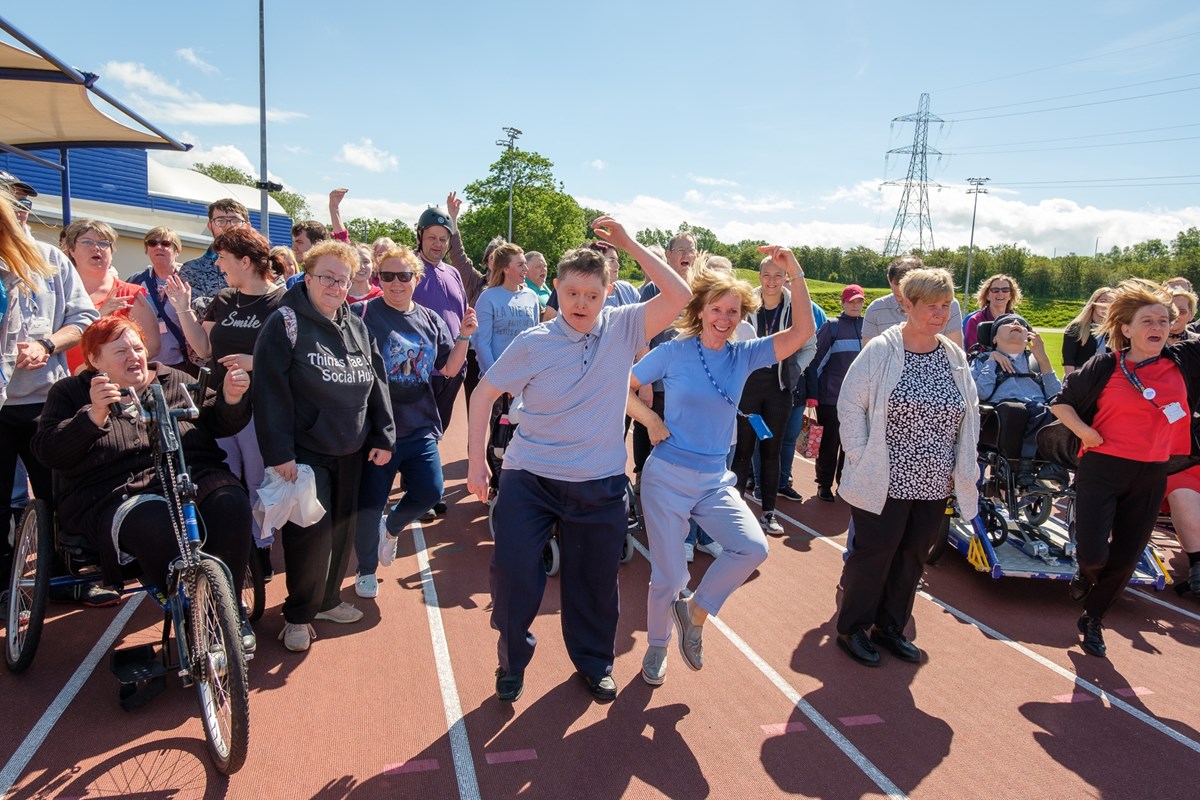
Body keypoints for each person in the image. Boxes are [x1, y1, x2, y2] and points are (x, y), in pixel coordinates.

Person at [465, 216, 690, 704]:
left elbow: (679, 296)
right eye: (571, 294)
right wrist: (475, 463)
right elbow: (483, 396)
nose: (581, 305)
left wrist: (630, 242)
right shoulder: (534, 343)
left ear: (609, 292)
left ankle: (593, 664)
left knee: (594, 586)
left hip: (598, 482)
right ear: (557, 293)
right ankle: (512, 662)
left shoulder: (625, 327)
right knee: (511, 576)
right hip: (530, 478)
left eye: (592, 294)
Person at [627, 247, 815, 686]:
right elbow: (623, 385)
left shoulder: (745, 354)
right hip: (667, 476)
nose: (725, 318)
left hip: (714, 480)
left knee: (753, 548)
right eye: (717, 309)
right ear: (700, 309)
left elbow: (803, 330)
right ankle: (657, 647)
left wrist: (796, 273)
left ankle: (694, 613)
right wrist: (651, 418)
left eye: (733, 311)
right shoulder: (674, 352)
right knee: (669, 575)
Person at [31, 315, 255, 645]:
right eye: (120, 351)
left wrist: (232, 398)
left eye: (137, 347)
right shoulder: (71, 392)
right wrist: (93, 416)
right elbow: (48, 451)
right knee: (154, 520)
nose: (133, 356)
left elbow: (218, 422)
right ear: (94, 359)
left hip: (190, 476)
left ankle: (229, 609)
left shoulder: (174, 379)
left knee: (231, 500)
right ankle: (194, 610)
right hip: (117, 493)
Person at [253, 240, 395, 652]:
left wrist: (383, 434)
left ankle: (328, 600)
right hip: (306, 454)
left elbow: (378, 380)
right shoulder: (284, 323)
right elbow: (270, 392)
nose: (335, 286)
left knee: (341, 533)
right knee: (309, 538)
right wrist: (279, 453)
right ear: (308, 276)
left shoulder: (355, 323)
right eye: (327, 277)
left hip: (351, 450)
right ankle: (297, 615)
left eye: (343, 279)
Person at [836, 267, 980, 667]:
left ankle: (891, 626)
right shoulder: (881, 350)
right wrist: (861, 455)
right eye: (931, 306)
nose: (940, 313)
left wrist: (962, 465)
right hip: (884, 477)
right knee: (874, 553)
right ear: (907, 304)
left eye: (946, 305)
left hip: (935, 480)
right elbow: (850, 405)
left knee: (913, 556)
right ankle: (853, 629)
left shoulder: (953, 356)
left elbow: (969, 411)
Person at [1050, 278, 1200, 658]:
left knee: (1128, 556)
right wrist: (1086, 432)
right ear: (1126, 329)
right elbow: (1060, 403)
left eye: (1165, 320)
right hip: (1102, 468)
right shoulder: (1105, 365)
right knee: (1096, 554)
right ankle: (1087, 571)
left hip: (1151, 473)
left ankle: (1093, 618)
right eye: (1147, 321)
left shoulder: (1184, 360)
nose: (1158, 328)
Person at [355, 246, 477, 598]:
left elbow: (449, 368)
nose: (395, 283)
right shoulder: (361, 314)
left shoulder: (429, 319)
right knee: (370, 503)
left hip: (420, 424)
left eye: (403, 276)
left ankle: (392, 527)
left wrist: (465, 335)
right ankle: (366, 570)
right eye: (388, 276)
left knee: (430, 491)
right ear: (379, 278)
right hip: (378, 430)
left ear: (415, 279)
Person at [166, 226, 286, 580]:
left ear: (245, 261)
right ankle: (235, 553)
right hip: (219, 407)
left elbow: (295, 359)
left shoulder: (283, 302)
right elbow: (203, 350)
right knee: (227, 482)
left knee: (258, 481)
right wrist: (183, 309)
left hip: (260, 410)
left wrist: (255, 361)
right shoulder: (223, 298)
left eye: (223, 258)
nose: (218, 265)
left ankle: (261, 550)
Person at [0, 187, 99, 602]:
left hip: (45, 401)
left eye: (26, 205)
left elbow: (83, 317)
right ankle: (6, 584)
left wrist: (47, 344)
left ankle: (67, 577)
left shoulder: (50, 259)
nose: (22, 213)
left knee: (61, 496)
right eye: (14, 206)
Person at [731, 253, 814, 532]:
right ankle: (736, 510)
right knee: (742, 450)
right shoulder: (746, 303)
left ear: (786, 278)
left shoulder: (796, 306)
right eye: (766, 275)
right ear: (759, 276)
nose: (771, 281)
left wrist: (792, 372)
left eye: (778, 276)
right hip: (749, 389)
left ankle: (768, 512)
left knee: (771, 451)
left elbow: (810, 345)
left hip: (778, 391)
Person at [971, 312, 1062, 485]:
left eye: (1021, 324)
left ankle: (1049, 465)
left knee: (1057, 410)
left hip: (1038, 412)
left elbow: (1055, 395)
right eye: (1008, 322)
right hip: (1000, 418)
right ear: (995, 339)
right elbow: (981, 393)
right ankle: (1023, 464)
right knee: (1016, 410)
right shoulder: (982, 360)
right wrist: (992, 361)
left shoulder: (1035, 361)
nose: (1015, 322)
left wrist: (1043, 360)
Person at [61, 220, 161, 374]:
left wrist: (94, 369)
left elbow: (152, 346)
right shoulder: (58, 292)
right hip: (59, 382)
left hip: (110, 385)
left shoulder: (129, 295)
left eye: (103, 243)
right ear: (71, 250)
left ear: (112, 252)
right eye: (87, 242)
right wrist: (98, 316)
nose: (96, 248)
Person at [812, 284, 865, 502]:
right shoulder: (831, 327)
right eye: (851, 301)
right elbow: (816, 363)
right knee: (829, 443)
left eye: (859, 301)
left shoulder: (868, 328)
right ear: (843, 303)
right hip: (831, 398)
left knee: (852, 446)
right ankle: (823, 484)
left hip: (861, 401)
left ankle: (845, 484)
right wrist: (813, 394)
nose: (855, 305)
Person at [127, 228, 196, 376]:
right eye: (152, 243)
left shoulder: (190, 281)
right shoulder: (135, 281)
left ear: (177, 250)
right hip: (146, 363)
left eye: (165, 243)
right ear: (147, 249)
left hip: (183, 364)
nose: (158, 247)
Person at [862, 255, 963, 348]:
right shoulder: (875, 309)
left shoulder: (949, 305)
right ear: (889, 279)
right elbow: (868, 359)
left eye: (913, 297)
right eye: (899, 297)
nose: (906, 304)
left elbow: (955, 351)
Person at [180, 199, 249, 316]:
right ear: (210, 225)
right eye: (220, 221)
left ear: (247, 226)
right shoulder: (192, 270)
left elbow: (274, 305)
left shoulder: (265, 265)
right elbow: (196, 312)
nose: (228, 226)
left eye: (235, 220)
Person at [963, 274, 1022, 352]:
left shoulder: (1017, 321)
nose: (1000, 293)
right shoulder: (975, 321)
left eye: (1005, 290)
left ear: (1010, 295)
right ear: (987, 295)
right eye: (995, 290)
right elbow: (972, 354)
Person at [1062, 286, 1113, 376]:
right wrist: (1073, 384)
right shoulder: (1076, 328)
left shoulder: (1115, 330)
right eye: (1103, 302)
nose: (1106, 306)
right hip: (1080, 379)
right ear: (1094, 304)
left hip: (1105, 380)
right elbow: (1069, 361)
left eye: (1111, 303)